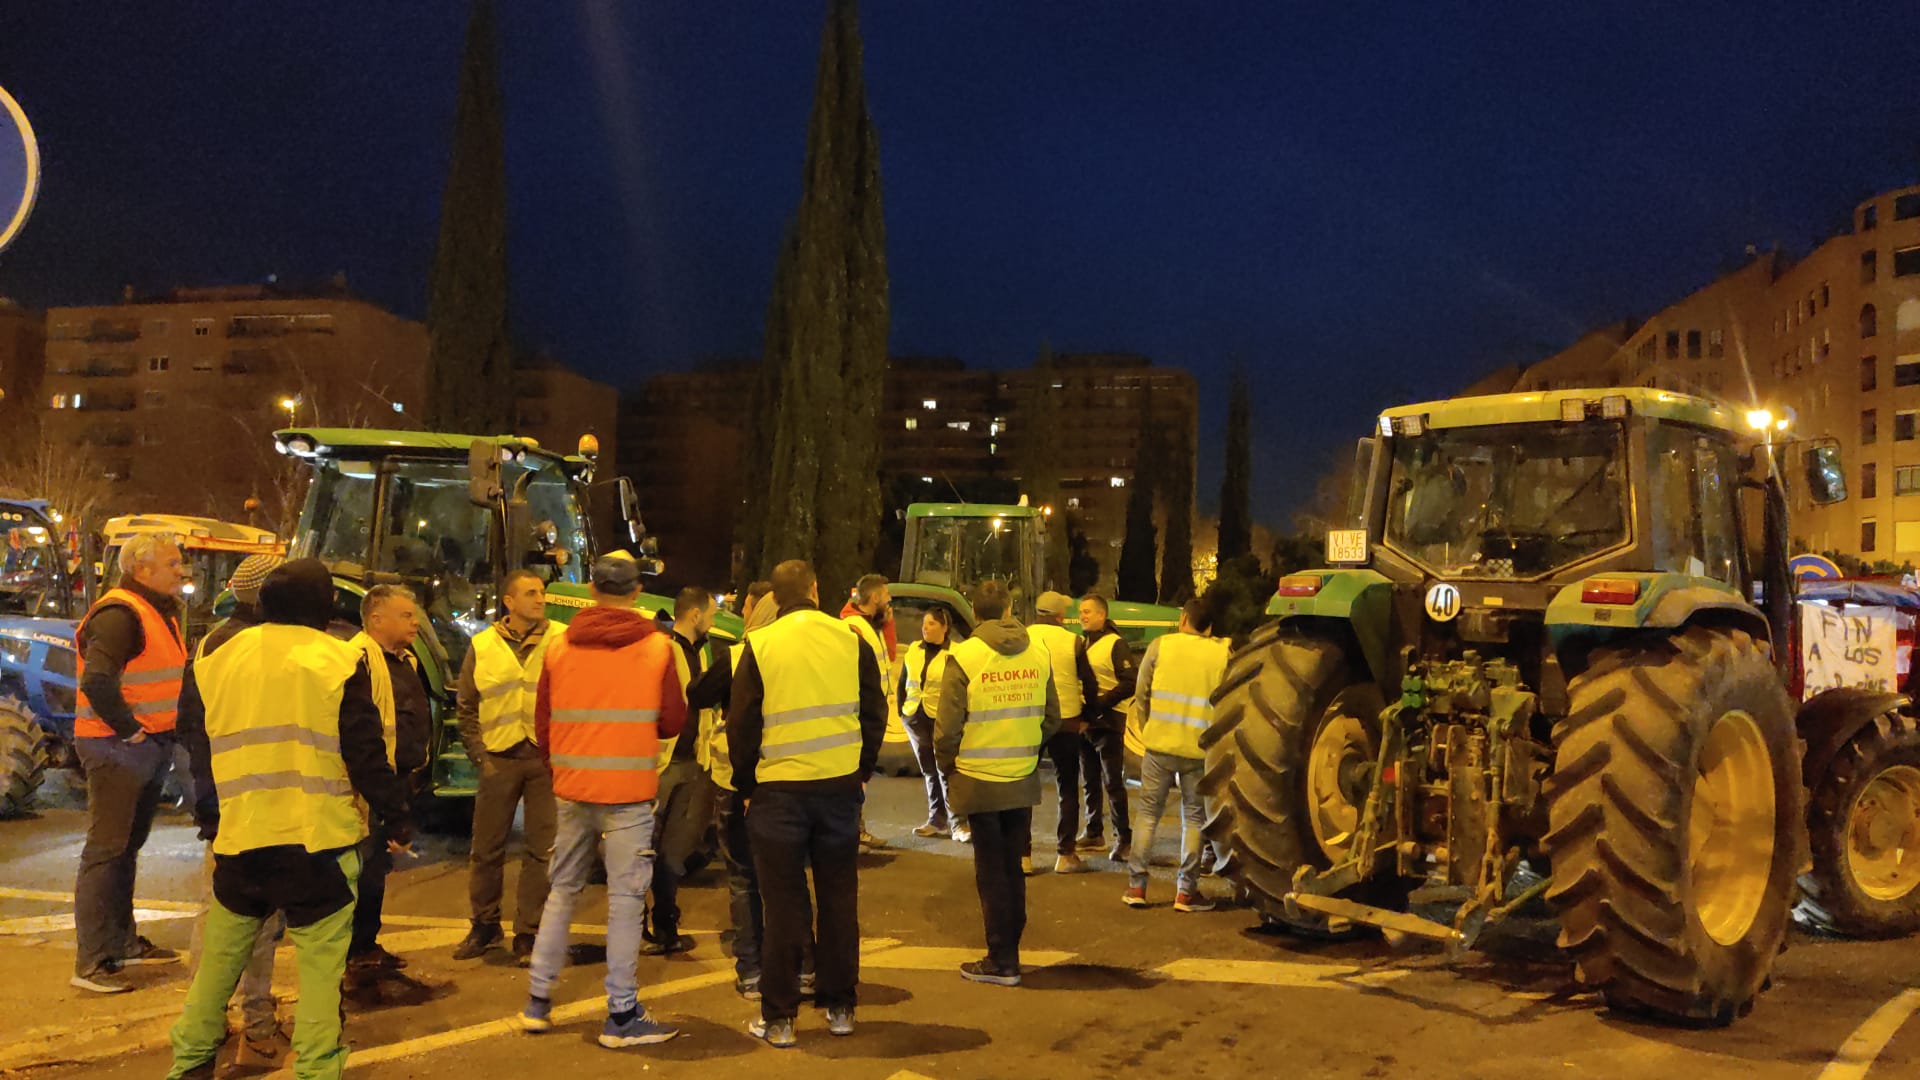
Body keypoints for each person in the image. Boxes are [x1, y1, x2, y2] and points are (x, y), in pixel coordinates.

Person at [166, 558, 413, 1080]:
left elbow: (197, 744)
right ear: (322, 609)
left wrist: (212, 817)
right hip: (316, 843)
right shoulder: (337, 660)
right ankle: (318, 1068)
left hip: (240, 839)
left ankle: (189, 1062)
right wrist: (396, 817)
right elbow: (364, 753)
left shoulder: (216, 658)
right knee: (321, 975)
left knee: (217, 968)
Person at [519, 554, 684, 1049]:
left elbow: (543, 722)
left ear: (592, 590)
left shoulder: (558, 647)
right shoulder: (657, 648)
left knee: (562, 891)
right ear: (636, 593)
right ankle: (621, 1015)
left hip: (572, 790)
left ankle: (538, 1002)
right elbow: (673, 720)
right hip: (629, 795)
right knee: (626, 902)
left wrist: (563, 769)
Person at [730, 559, 886, 1048]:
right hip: (838, 787)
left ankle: (779, 1019)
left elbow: (742, 723)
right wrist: (861, 770)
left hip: (778, 791)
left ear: (774, 598)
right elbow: (874, 709)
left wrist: (747, 786)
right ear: (816, 590)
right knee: (840, 900)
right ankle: (840, 1007)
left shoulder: (760, 644)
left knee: (782, 907)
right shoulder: (850, 638)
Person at [177, 553, 291, 1066]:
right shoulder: (252, 647)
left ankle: (212, 1021)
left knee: (226, 918)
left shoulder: (216, 639)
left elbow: (192, 730)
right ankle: (252, 1026)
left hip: (228, 799)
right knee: (250, 921)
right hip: (248, 802)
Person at [70, 531, 190, 994]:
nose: (181, 570)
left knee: (124, 848)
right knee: (107, 850)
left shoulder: (154, 611)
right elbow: (98, 681)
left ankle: (121, 941)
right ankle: (93, 961)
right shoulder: (122, 614)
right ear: (142, 569)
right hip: (117, 748)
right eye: (172, 562)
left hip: (144, 745)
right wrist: (129, 729)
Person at [686, 588, 817, 1001]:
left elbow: (698, 694)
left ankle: (752, 969)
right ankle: (804, 965)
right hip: (792, 780)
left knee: (744, 879)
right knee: (788, 876)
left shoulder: (742, 655)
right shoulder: (807, 658)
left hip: (738, 781)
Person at [935, 581, 1061, 986]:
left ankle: (1001, 959)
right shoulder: (1038, 653)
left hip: (978, 778)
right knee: (1012, 867)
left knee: (991, 871)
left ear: (974, 611)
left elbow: (947, 727)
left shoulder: (966, 656)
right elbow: (1052, 717)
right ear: (1008, 609)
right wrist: (1026, 748)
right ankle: (1012, 951)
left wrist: (948, 766)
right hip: (1020, 777)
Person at [452, 570, 556, 965]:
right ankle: (484, 925)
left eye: (542, 592)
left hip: (542, 758)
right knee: (486, 849)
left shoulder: (559, 639)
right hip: (499, 757)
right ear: (508, 602)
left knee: (542, 851)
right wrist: (480, 755)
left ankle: (528, 932)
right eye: (531, 593)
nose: (540, 598)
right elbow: (466, 706)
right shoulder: (482, 644)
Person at [343, 584, 434, 1004]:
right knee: (363, 873)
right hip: (371, 786)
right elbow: (363, 738)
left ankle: (366, 948)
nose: (416, 622)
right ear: (376, 619)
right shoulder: (358, 661)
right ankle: (354, 959)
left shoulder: (405, 661)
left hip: (397, 779)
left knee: (377, 872)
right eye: (407, 615)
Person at [1123, 599, 1231, 911]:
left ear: (1183, 619)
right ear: (1210, 627)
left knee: (1147, 815)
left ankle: (1136, 888)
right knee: (1194, 818)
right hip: (1199, 750)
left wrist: (1148, 729)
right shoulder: (1222, 652)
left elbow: (1141, 692)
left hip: (1159, 746)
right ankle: (1185, 892)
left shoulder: (1160, 646)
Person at [644, 585, 721, 955]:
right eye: (711, 613)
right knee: (645, 848)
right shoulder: (664, 649)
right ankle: (649, 924)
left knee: (673, 851)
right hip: (663, 763)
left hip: (691, 762)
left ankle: (665, 923)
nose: (713, 620)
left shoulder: (697, 652)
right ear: (695, 615)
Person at [1029, 592, 1100, 874]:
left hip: (1031, 720)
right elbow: (1090, 684)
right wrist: (1089, 716)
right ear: (1060, 616)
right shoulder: (1073, 641)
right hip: (1067, 721)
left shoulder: (1023, 637)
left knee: (1024, 786)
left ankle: (1023, 855)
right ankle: (1065, 854)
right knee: (1067, 787)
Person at [1078, 594, 1137, 862]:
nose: (1083, 616)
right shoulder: (1083, 643)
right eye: (1081, 612)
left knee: (1112, 782)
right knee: (1089, 780)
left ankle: (1123, 839)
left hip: (1109, 721)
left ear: (1102, 615)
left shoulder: (1116, 644)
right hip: (1087, 722)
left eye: (1088, 611)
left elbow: (1129, 682)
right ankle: (1094, 832)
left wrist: (1101, 704)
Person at [840, 572, 894, 850]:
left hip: (868, 710)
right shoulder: (855, 627)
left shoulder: (869, 626)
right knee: (857, 774)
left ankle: (856, 829)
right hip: (860, 713)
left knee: (861, 775)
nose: (889, 601)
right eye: (886, 596)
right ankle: (853, 831)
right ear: (874, 598)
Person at [898, 607, 954, 839]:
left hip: (941, 717)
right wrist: (902, 712)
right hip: (915, 716)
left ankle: (958, 820)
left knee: (947, 769)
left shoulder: (955, 653)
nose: (925, 627)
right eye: (924, 623)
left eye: (931, 623)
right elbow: (903, 680)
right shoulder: (913, 650)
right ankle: (936, 819)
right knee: (929, 769)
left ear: (944, 627)